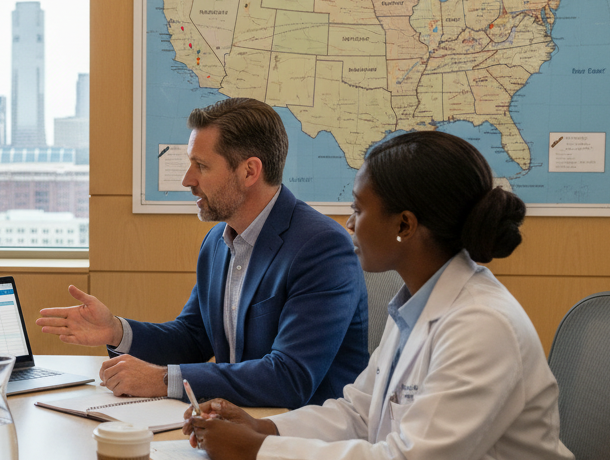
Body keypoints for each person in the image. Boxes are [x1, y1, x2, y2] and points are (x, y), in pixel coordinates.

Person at [185, 130, 594, 460]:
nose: (347, 222)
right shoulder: (417, 305)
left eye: (358, 209)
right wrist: (265, 427)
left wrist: (258, 452)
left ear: (404, 223)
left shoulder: (482, 325)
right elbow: (359, 414)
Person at [37, 97, 367, 408]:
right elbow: (192, 338)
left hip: (305, 441)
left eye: (201, 166)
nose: (186, 179)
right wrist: (116, 330)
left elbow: (290, 377)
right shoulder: (216, 243)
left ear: (250, 171)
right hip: (240, 424)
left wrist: (163, 379)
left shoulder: (323, 248)